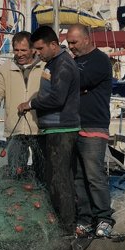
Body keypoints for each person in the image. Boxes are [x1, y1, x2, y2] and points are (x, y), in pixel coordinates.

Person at [18, 26, 81, 234]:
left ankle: (67, 227)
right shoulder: (52, 62)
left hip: (62, 129)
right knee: (55, 176)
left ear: (53, 45)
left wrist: (31, 103)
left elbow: (57, 98)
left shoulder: (63, 64)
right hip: (53, 129)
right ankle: (62, 221)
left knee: (60, 178)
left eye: (40, 48)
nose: (37, 53)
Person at [65, 24, 116, 238]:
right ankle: (85, 219)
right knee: (77, 177)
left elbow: (79, 81)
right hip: (74, 126)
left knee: (95, 176)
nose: (71, 47)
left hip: (94, 126)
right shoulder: (74, 62)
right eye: (68, 43)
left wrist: (71, 84)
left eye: (74, 42)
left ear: (86, 39)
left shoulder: (100, 60)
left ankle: (104, 218)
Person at [0, 31, 45, 176]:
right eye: (16, 50)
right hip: (15, 131)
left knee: (43, 171)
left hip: (39, 130)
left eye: (23, 50)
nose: (19, 54)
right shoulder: (5, 69)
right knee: (15, 171)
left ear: (33, 49)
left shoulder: (44, 67)